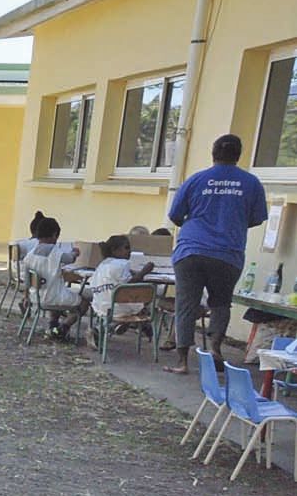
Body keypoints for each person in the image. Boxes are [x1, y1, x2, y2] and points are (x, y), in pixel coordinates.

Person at [165, 133, 269, 374]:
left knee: (186, 304)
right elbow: (256, 218)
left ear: (213, 154)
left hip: (190, 250)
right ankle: (215, 348)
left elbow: (175, 215)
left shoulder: (196, 179)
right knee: (221, 303)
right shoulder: (251, 183)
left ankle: (182, 361)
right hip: (227, 253)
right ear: (238, 155)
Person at [21, 215, 84, 338]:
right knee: (83, 302)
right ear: (55, 234)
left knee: (56, 292)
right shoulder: (54, 251)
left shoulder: (30, 254)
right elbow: (69, 258)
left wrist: (26, 297)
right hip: (53, 297)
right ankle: (62, 328)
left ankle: (53, 325)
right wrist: (75, 252)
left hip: (36, 297)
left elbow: (27, 281)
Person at [87, 234, 156, 330]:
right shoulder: (123, 263)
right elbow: (129, 285)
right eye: (126, 248)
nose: (130, 251)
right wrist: (144, 271)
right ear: (114, 250)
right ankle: (125, 325)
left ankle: (114, 326)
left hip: (101, 308)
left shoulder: (102, 265)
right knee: (146, 296)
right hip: (119, 308)